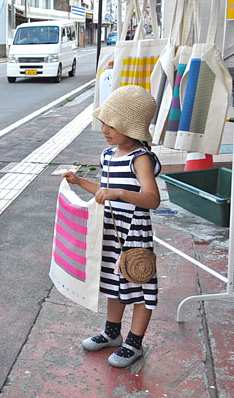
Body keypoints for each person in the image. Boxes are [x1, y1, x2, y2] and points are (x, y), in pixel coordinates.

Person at [61, 85, 161, 368]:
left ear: (132, 128)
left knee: (140, 284)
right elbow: (104, 191)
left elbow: (152, 199)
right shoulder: (108, 156)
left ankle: (134, 342)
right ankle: (112, 332)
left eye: (113, 125)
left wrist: (119, 194)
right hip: (112, 232)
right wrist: (80, 182)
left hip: (134, 234)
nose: (105, 129)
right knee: (114, 284)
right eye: (104, 122)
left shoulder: (140, 158)